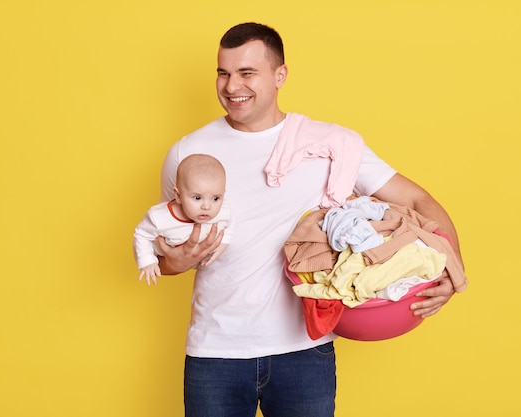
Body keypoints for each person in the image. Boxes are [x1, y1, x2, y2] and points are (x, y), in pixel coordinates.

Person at [155, 22, 465, 417]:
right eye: (223, 72)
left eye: (247, 72)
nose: (232, 86)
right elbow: (163, 251)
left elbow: (418, 199)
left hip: (306, 353)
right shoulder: (188, 151)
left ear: (279, 75)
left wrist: (451, 267)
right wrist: (176, 262)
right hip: (215, 352)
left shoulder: (330, 144)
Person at [133, 153, 233, 285]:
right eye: (197, 198)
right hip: (168, 256)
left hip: (209, 271)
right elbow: (141, 235)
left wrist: (224, 243)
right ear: (178, 196)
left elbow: (230, 220)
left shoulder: (222, 209)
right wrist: (147, 261)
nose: (207, 206)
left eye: (215, 198)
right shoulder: (160, 217)